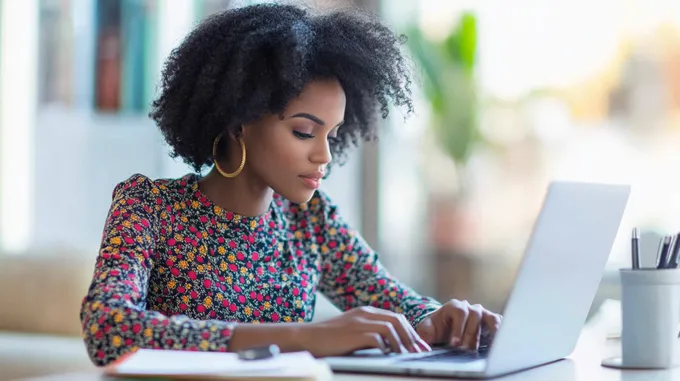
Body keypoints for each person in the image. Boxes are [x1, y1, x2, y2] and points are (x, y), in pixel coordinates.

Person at [79, 2, 502, 367]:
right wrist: (304, 337)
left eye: (331, 136)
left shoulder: (309, 220)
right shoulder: (148, 207)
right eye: (304, 132)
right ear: (239, 120)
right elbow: (109, 327)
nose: (325, 155)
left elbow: (393, 300)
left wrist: (440, 318)